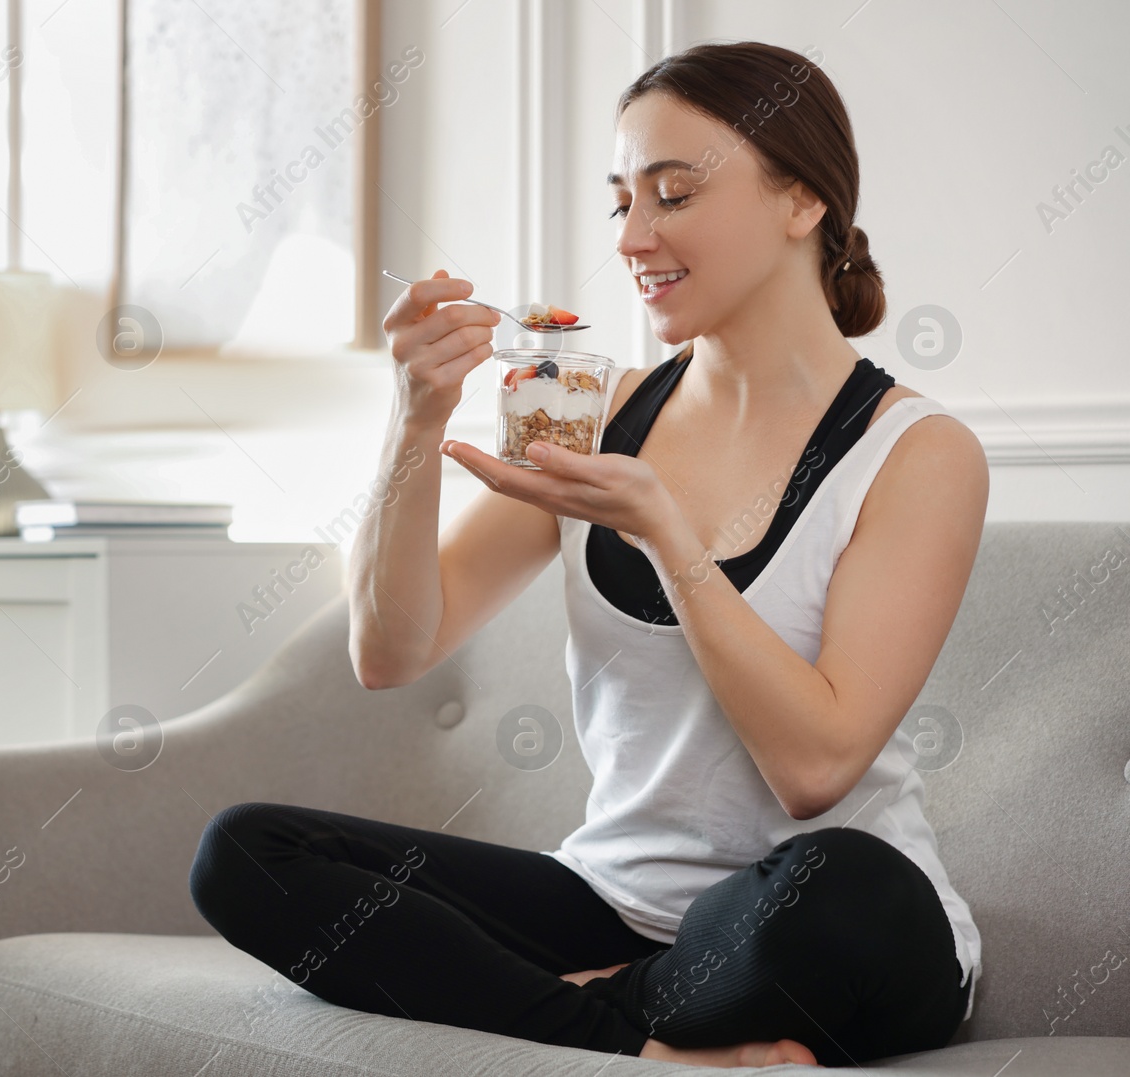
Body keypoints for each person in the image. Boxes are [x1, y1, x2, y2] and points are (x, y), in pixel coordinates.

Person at [189, 40, 988, 1069]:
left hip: (811, 919)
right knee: (250, 853)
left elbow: (814, 769)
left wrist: (665, 530)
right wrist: (415, 421)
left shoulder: (916, 453)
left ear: (802, 202)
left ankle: (584, 1015)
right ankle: (640, 1039)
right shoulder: (596, 413)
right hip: (613, 901)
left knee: (845, 892)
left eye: (672, 194)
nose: (632, 236)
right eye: (621, 202)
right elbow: (391, 650)